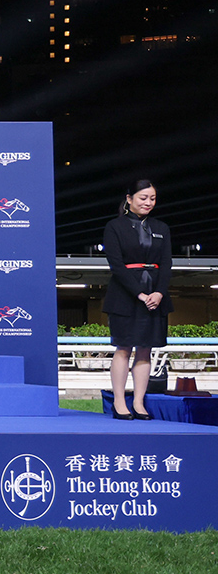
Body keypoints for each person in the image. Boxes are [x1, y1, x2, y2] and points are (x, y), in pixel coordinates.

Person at [103, 179, 171, 420]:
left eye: (152, 198)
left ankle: (139, 403)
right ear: (129, 198)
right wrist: (140, 294)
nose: (148, 202)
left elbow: (166, 264)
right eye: (143, 198)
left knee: (146, 349)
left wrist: (159, 293)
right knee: (123, 348)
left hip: (155, 295)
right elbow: (116, 265)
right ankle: (119, 402)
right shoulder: (114, 226)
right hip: (124, 295)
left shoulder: (162, 227)